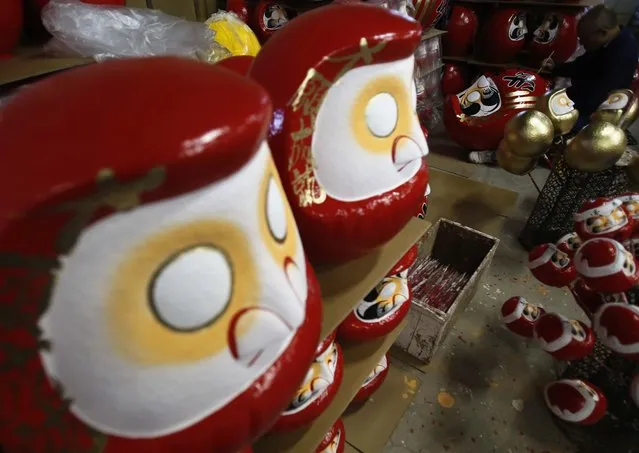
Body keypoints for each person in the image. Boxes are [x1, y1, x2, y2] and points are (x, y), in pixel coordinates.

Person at [469, 4, 639, 165]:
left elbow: (600, 96)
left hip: (594, 112)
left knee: (536, 124)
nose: (583, 44)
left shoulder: (623, 53)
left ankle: (500, 155)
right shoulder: (606, 42)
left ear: (602, 33)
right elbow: (581, 65)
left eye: (585, 39)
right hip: (581, 97)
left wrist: (560, 105)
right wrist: (556, 67)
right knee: (531, 104)